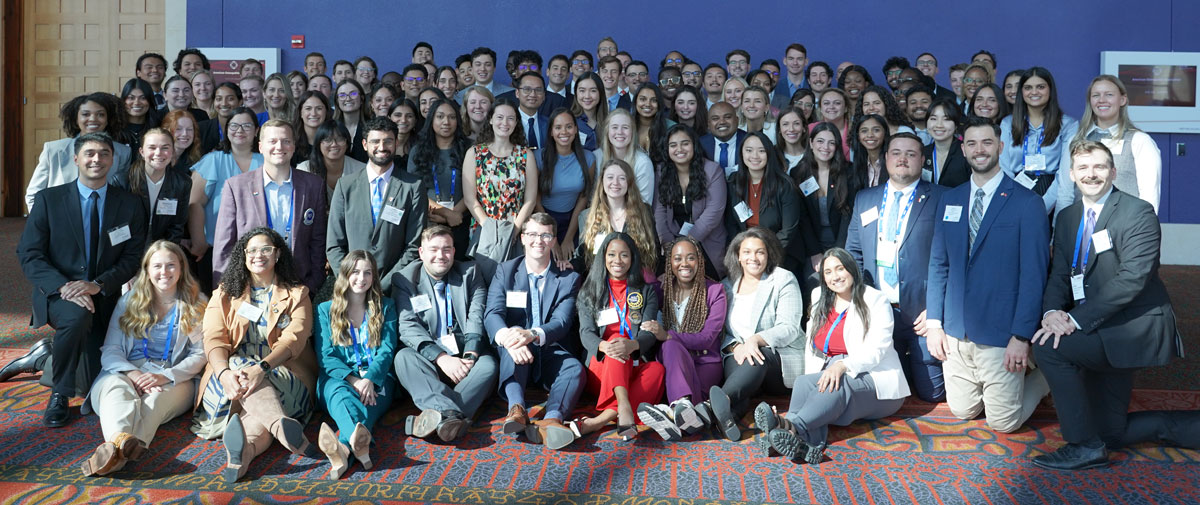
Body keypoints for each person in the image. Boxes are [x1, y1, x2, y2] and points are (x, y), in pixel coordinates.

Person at [1031, 141, 1192, 471]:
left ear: (1113, 172)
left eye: (1100, 167)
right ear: (1072, 175)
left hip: (1132, 326)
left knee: (1050, 348)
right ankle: (1111, 437)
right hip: (1098, 322)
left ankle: (1082, 446)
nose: (1092, 174)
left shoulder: (1137, 212)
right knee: (1111, 433)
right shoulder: (1067, 217)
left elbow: (1133, 279)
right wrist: (1050, 315)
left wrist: (1073, 321)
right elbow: (1060, 273)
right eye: (1084, 168)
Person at [926, 117, 1050, 434]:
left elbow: (1034, 276)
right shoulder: (949, 199)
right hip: (956, 329)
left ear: (1000, 147)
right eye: (971, 143)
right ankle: (991, 386)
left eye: (986, 142)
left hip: (1001, 332)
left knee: (1003, 423)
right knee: (962, 410)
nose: (979, 150)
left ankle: (1045, 376)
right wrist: (935, 323)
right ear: (963, 149)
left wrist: (1022, 337)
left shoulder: (1027, 203)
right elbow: (938, 264)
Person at [16, 132, 147, 427]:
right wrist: (64, 286)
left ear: (112, 161)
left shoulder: (129, 204)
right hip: (59, 293)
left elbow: (132, 257)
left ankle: (46, 356)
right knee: (76, 317)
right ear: (76, 159)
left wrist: (98, 285)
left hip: (106, 293)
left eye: (104, 154)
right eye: (89, 153)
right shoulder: (50, 200)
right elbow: (29, 253)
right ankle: (60, 395)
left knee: (91, 382)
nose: (96, 159)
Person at [756, 247, 910, 464]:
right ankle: (797, 440)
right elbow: (812, 346)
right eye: (828, 272)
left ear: (852, 269)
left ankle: (791, 426)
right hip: (830, 367)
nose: (835, 276)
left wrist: (843, 366)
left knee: (837, 384)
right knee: (803, 383)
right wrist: (813, 381)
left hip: (875, 377)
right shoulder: (819, 296)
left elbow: (878, 349)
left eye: (840, 269)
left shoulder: (875, 299)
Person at [191, 227, 320, 482]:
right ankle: (276, 429)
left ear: (277, 255)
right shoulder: (225, 294)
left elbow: (294, 340)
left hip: (282, 371)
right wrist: (224, 373)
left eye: (265, 249)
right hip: (230, 379)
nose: (258, 255)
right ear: (244, 255)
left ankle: (244, 454)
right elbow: (214, 338)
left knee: (257, 386)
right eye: (252, 250)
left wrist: (261, 368)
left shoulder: (298, 295)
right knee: (243, 373)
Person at [79, 241, 206, 476]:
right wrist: (133, 374)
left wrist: (164, 376)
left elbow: (201, 354)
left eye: (171, 265)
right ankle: (121, 446)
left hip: (174, 376)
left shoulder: (195, 304)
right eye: (157, 266)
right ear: (147, 270)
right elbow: (111, 349)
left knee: (153, 402)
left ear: (181, 268)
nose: (164, 272)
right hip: (126, 370)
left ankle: (112, 451)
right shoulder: (129, 301)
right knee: (117, 389)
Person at [845, 133, 947, 402]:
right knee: (886, 392)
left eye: (911, 154)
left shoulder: (942, 197)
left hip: (922, 315)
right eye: (896, 153)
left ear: (922, 160)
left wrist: (937, 310)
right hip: (880, 312)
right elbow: (853, 253)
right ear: (885, 158)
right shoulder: (865, 199)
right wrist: (861, 301)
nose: (903, 159)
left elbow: (953, 259)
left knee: (932, 393)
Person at [486, 214, 585, 448]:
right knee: (512, 347)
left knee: (575, 369)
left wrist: (530, 334)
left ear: (553, 240)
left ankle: (552, 419)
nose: (538, 240)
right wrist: (508, 337)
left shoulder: (568, 278)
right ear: (523, 238)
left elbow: (562, 322)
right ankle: (517, 409)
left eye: (545, 235)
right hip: (517, 348)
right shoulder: (506, 271)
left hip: (549, 346)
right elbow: (492, 313)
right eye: (532, 234)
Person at [392, 226, 498, 442]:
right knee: (403, 358)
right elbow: (408, 327)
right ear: (421, 252)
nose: (441, 255)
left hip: (465, 356)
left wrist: (470, 356)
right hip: (430, 359)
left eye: (446, 249)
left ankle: (434, 418)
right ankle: (452, 417)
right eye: (434, 249)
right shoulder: (404, 279)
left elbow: (476, 317)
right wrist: (442, 358)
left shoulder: (470, 273)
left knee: (489, 366)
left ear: (453, 251)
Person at [707, 228, 805, 441]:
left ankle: (713, 404)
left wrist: (755, 340)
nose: (753, 257)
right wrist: (735, 347)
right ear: (738, 256)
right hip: (740, 355)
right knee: (744, 368)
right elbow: (723, 332)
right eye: (747, 252)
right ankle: (727, 416)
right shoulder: (727, 286)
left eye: (760, 252)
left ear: (768, 254)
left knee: (756, 357)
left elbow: (789, 327)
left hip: (779, 359)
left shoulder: (783, 279)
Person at [212, 119, 327, 294]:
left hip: (299, 286)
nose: (279, 146)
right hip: (250, 287)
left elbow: (318, 241)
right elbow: (224, 246)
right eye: (272, 141)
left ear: (294, 146)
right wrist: (228, 290)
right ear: (260, 147)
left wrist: (312, 285)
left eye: (286, 141)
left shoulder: (314, 185)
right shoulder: (236, 187)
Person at [312, 251, 397, 479]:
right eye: (355, 272)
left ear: (374, 276)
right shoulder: (325, 310)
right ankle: (360, 446)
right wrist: (355, 380)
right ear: (345, 275)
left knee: (368, 399)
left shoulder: (385, 306)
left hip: (377, 380)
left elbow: (387, 349)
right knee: (341, 394)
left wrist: (369, 379)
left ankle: (342, 450)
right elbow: (326, 356)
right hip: (337, 378)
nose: (362, 278)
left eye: (367, 272)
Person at [576, 233, 665, 440]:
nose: (618, 261)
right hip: (601, 365)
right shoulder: (590, 290)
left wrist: (633, 344)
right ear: (603, 258)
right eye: (612, 255)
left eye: (624, 255)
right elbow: (585, 332)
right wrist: (605, 346)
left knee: (657, 370)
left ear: (632, 258)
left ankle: (601, 420)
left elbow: (648, 333)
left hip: (633, 358)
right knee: (616, 348)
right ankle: (624, 408)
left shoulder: (645, 291)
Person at [635, 237, 726, 440]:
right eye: (677, 258)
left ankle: (672, 409)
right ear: (670, 264)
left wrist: (668, 334)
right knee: (670, 346)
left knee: (669, 342)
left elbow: (708, 337)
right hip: (674, 365)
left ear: (699, 260)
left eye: (690, 257)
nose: (684, 263)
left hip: (704, 364)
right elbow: (640, 287)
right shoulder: (662, 291)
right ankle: (683, 411)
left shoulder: (714, 291)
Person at [327, 116, 428, 294]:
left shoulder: (413, 187)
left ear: (396, 143)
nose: (382, 147)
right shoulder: (345, 186)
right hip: (352, 290)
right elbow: (334, 245)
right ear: (365, 144)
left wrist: (383, 285)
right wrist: (352, 280)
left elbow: (414, 246)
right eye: (375, 142)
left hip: (396, 289)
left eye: (387, 141)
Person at [1061, 75, 1162, 214]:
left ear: (1122, 100)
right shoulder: (1076, 140)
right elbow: (1065, 192)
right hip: (1083, 225)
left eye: (1109, 95)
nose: (1102, 100)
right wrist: (1059, 229)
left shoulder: (1140, 141)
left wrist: (1144, 230)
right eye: (1096, 95)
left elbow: (1150, 195)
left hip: (1125, 227)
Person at [188, 107, 263, 293]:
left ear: (256, 131)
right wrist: (199, 242)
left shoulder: (266, 162)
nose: (240, 130)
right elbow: (195, 202)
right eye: (234, 125)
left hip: (259, 252)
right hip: (217, 250)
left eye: (246, 125)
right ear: (226, 129)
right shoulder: (213, 160)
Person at [25, 93, 133, 212]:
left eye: (100, 114)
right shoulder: (53, 150)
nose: (93, 119)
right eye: (86, 114)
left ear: (108, 120)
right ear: (76, 119)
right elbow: (33, 194)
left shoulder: (123, 153)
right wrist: (44, 223)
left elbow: (123, 195)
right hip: (60, 222)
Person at [724, 132, 808, 274]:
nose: (755, 156)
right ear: (741, 153)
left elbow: (788, 231)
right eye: (749, 150)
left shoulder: (784, 185)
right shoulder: (734, 182)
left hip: (781, 254)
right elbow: (732, 224)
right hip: (746, 255)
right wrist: (745, 252)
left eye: (761, 151)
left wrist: (763, 254)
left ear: (769, 153)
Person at [999, 67, 1079, 214]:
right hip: (1015, 190)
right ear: (1021, 92)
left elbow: (1064, 174)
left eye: (1040, 87)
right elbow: (1004, 168)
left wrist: (1042, 207)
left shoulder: (1068, 125)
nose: (1034, 92)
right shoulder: (1007, 124)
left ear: (1050, 90)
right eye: (1028, 87)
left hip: (1051, 192)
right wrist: (1012, 200)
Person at [654, 124, 728, 278]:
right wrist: (668, 244)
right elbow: (659, 211)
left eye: (685, 143)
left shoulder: (712, 170)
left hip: (704, 240)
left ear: (694, 145)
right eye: (673, 145)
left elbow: (713, 213)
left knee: (707, 283)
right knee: (662, 282)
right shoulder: (661, 171)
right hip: (671, 240)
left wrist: (687, 244)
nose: (679, 149)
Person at [408, 98, 472, 256]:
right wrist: (445, 213)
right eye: (440, 116)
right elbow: (415, 190)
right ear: (431, 120)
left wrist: (455, 214)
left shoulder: (469, 149)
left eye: (452, 117)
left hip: (462, 220)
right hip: (429, 222)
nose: (446, 122)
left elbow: (475, 187)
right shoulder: (418, 151)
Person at [463, 100, 539, 230]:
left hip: (516, 229)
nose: (505, 123)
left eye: (510, 118)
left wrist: (514, 230)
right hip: (484, 230)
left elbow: (530, 200)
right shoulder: (474, 153)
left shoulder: (526, 155)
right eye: (499, 117)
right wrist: (490, 229)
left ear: (516, 123)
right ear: (491, 120)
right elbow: (470, 199)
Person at [791, 122, 857, 271]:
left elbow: (848, 214)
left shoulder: (848, 172)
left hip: (843, 240)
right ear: (811, 142)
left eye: (831, 143)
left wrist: (839, 253)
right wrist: (815, 253)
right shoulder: (798, 174)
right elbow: (803, 217)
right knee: (812, 283)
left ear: (837, 146)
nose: (825, 147)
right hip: (811, 244)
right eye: (820, 141)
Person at [576, 159, 659, 276]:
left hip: (636, 284)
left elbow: (655, 252)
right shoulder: (586, 216)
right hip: (601, 286)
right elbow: (582, 258)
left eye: (622, 178)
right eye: (610, 177)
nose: (615, 182)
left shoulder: (644, 212)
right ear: (602, 182)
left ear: (629, 183)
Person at [110, 128, 191, 247]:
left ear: (172, 151)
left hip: (160, 249)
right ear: (142, 152)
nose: (158, 153)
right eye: (152, 148)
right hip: (126, 248)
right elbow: (115, 227)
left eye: (165, 148)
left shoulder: (182, 183)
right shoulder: (122, 181)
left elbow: (176, 227)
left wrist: (164, 253)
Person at [538, 108, 595, 257]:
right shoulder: (538, 157)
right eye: (558, 127)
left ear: (576, 129)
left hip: (572, 222)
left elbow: (584, 197)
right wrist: (552, 239)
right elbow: (535, 201)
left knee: (571, 265)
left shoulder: (588, 158)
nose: (564, 132)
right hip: (543, 220)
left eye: (569, 126)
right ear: (551, 131)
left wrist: (569, 238)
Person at [298, 120, 366, 203]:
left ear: (347, 142)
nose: (334, 144)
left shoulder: (361, 170)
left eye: (340, 139)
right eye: (327, 140)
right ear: (318, 143)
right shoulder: (304, 170)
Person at [597, 109, 655, 204]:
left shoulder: (643, 163)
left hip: (633, 216)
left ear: (633, 132)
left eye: (625, 127)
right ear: (607, 131)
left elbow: (644, 205)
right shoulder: (597, 157)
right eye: (614, 127)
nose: (620, 132)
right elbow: (593, 198)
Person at [922, 98, 971, 188]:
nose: (939, 125)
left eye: (946, 119)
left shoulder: (967, 152)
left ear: (956, 124)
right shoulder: (923, 152)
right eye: (933, 119)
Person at [700, 102, 747, 176]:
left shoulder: (748, 141)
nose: (722, 122)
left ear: (737, 120)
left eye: (727, 117)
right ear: (708, 124)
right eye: (715, 118)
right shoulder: (701, 144)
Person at [119, 79, 161, 154]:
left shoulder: (158, 128)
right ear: (123, 100)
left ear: (150, 101)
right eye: (131, 98)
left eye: (143, 98)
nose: (137, 102)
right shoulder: (115, 129)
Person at [849, 114, 890, 189]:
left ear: (885, 133)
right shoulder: (856, 165)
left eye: (876, 130)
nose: (870, 135)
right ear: (858, 136)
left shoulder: (892, 163)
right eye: (864, 131)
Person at [333, 79, 369, 163]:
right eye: (342, 95)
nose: (348, 99)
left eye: (353, 94)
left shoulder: (372, 127)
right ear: (337, 101)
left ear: (362, 98)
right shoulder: (330, 128)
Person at [292, 91, 331, 168]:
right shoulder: (291, 141)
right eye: (308, 108)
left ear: (326, 112)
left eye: (319, 108)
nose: (313, 113)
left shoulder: (334, 141)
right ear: (300, 113)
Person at [570, 72, 606, 150]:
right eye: (582, 91)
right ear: (576, 93)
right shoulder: (569, 122)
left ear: (600, 93)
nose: (587, 96)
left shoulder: (609, 122)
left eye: (593, 91)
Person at [814, 89, 852, 158]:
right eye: (826, 103)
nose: (831, 107)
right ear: (821, 108)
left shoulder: (856, 131)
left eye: (837, 103)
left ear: (846, 108)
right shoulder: (810, 129)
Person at [773, 44, 808, 111]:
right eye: (791, 58)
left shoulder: (812, 86)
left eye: (799, 59)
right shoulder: (776, 87)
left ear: (806, 61)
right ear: (785, 61)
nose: (795, 63)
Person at [775, 106, 809, 170]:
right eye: (785, 124)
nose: (791, 129)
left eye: (796, 124)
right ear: (779, 129)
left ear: (804, 127)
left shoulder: (814, 155)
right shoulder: (772, 155)